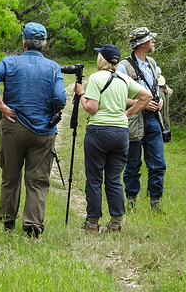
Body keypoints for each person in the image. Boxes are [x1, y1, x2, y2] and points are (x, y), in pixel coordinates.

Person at [0, 22, 67, 240]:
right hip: (44, 131)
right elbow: (60, 98)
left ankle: (8, 224)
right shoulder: (54, 67)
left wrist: (0, 105)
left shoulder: (10, 62)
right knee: (37, 181)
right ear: (44, 44)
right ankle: (32, 231)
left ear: (23, 42)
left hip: (13, 127)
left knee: (10, 176)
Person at [74, 45, 152, 233]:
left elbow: (91, 107)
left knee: (94, 179)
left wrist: (81, 94)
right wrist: (127, 114)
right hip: (121, 134)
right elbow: (146, 96)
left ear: (102, 59)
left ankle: (92, 223)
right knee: (114, 179)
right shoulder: (124, 79)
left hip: (99, 131)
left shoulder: (96, 77)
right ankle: (116, 223)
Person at [117, 27, 167, 210]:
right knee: (132, 165)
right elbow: (119, 97)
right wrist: (142, 103)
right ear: (142, 43)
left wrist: (158, 99)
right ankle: (131, 204)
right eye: (150, 39)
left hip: (153, 119)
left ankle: (156, 203)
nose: (153, 42)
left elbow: (153, 90)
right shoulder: (124, 66)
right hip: (133, 121)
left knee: (158, 164)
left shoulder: (152, 63)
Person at [157, 66, 173, 142]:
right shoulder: (165, 88)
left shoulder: (159, 90)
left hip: (160, 110)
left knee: (161, 121)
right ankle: (167, 137)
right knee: (165, 120)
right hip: (165, 111)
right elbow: (171, 92)